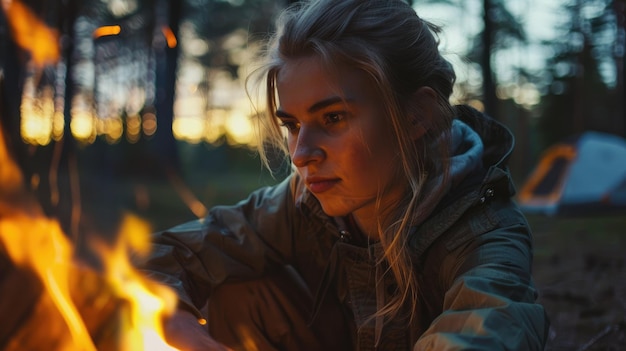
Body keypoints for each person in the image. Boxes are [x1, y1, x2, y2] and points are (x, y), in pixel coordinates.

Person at [139, 0, 549, 349]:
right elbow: (158, 259)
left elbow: (491, 327)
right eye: (292, 125)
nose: (300, 155)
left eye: (332, 117)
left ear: (416, 116)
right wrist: (169, 317)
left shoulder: (484, 235)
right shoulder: (299, 203)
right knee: (244, 294)